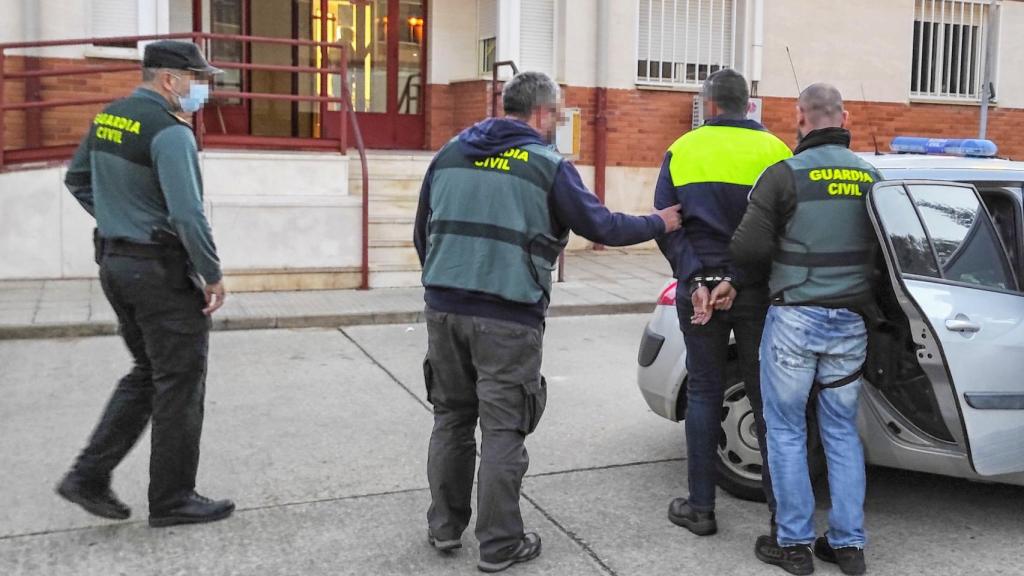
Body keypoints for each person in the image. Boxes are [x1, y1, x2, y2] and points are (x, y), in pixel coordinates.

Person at [414, 71, 682, 573]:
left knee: (450, 419)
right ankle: (499, 546)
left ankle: (444, 528)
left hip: (444, 308)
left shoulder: (449, 153)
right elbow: (600, 225)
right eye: (557, 114)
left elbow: (421, 231)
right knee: (502, 429)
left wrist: (448, 280)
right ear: (543, 113)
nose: (558, 122)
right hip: (508, 316)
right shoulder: (546, 165)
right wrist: (659, 222)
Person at [56, 40, 234, 528]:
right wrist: (211, 273)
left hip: (116, 263)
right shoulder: (170, 132)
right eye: (198, 79)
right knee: (179, 381)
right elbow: (187, 214)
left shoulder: (109, 117)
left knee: (147, 373)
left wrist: (119, 218)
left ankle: (87, 476)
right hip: (158, 271)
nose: (203, 88)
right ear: (169, 79)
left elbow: (77, 180)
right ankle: (173, 499)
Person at [731, 83, 880, 576]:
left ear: (799, 117)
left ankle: (793, 543)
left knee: (788, 429)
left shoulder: (782, 176)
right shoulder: (872, 177)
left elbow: (747, 250)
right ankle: (847, 544)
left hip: (795, 318)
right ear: (844, 115)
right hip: (851, 324)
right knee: (841, 431)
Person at [653, 69, 792, 536]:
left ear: (708, 105)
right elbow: (781, 233)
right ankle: (780, 516)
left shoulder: (682, 149)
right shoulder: (777, 153)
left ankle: (700, 508)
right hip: (754, 289)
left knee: (704, 391)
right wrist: (736, 277)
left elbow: (667, 224)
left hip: (698, 292)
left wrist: (696, 281)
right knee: (764, 396)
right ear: (747, 105)